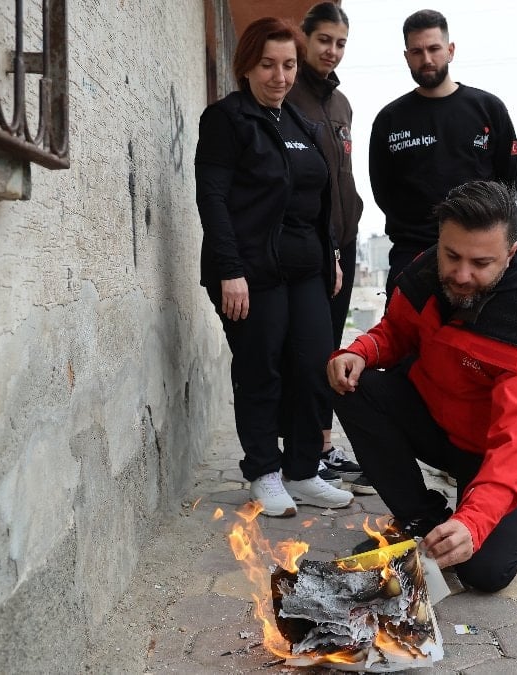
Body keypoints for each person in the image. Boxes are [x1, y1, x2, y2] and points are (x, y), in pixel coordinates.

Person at [327, 181, 517, 593]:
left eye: (481, 263)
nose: (461, 275)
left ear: (510, 254)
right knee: (350, 381)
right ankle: (422, 518)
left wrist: (472, 522)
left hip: (501, 451)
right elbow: (396, 332)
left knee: (484, 574)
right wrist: (361, 351)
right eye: (452, 256)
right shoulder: (424, 275)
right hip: (441, 423)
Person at [195, 17, 354, 517]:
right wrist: (229, 269)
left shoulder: (299, 123)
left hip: (306, 269)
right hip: (250, 272)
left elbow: (319, 198)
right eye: (268, 65)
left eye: (288, 65)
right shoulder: (226, 119)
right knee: (259, 369)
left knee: (313, 366)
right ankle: (264, 471)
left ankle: (303, 471)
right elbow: (212, 198)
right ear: (247, 66)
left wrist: (331, 254)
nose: (280, 77)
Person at [284, 2, 375, 496]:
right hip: (306, 246)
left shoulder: (341, 105)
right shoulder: (287, 95)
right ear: (304, 38)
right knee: (307, 351)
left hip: (343, 240)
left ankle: (322, 447)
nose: (332, 51)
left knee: (330, 348)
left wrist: (349, 226)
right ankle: (300, 454)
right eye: (324, 40)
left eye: (340, 43)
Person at [368, 9, 517, 301]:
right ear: (406, 56)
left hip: (478, 253)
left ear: (450, 50)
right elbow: (383, 191)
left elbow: (508, 183)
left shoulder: (489, 109)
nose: (426, 59)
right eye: (417, 51)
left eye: (434, 48)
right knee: (405, 330)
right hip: (413, 252)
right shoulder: (390, 119)